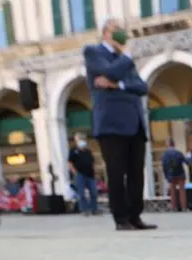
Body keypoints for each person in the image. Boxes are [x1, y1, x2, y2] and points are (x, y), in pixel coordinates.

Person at [83, 18, 156, 231]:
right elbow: (110, 71)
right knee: (116, 173)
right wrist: (126, 56)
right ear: (106, 33)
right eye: (117, 30)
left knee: (136, 173)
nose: (122, 34)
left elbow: (141, 86)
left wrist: (118, 85)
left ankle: (135, 216)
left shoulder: (123, 60)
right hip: (111, 124)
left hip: (135, 123)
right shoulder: (93, 52)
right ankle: (121, 218)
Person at [68, 132, 99, 216]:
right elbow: (70, 162)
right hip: (80, 174)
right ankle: (84, 210)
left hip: (90, 174)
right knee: (81, 193)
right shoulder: (73, 151)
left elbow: (92, 162)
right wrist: (74, 172)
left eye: (83, 139)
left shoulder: (88, 151)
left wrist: (95, 172)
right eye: (79, 139)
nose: (82, 140)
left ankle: (94, 209)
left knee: (94, 192)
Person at [162, 139, 189, 212]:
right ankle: (184, 208)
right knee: (182, 191)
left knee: (172, 192)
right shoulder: (178, 153)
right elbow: (187, 162)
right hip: (180, 174)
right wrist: (189, 157)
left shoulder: (165, 155)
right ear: (174, 144)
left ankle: (173, 208)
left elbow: (164, 166)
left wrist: (166, 176)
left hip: (171, 175)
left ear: (167, 145)